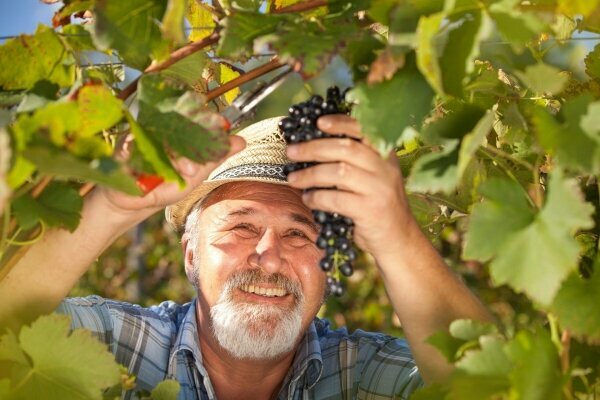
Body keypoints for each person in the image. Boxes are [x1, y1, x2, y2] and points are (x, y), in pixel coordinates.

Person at [0, 114, 493, 399]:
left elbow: (498, 390)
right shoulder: (113, 349)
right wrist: (109, 207)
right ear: (190, 251)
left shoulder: (363, 376)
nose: (269, 256)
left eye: (301, 234)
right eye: (242, 226)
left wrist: (397, 236)